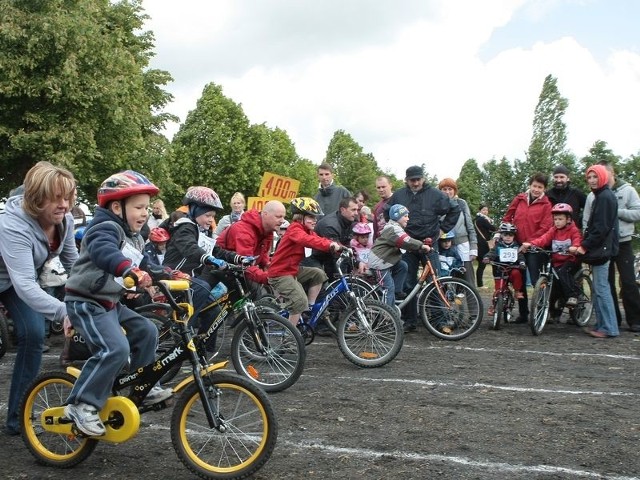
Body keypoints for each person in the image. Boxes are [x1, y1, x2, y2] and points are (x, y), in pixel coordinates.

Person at [63, 170, 171, 436]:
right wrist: (126, 271)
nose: (145, 213)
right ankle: (81, 404)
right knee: (115, 348)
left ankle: (142, 386)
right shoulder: (104, 227)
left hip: (109, 301)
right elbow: (105, 252)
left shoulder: (134, 235)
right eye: (138, 207)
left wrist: (166, 274)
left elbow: (142, 263)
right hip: (86, 301)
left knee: (147, 331)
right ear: (116, 206)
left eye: (147, 207)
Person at [0, 161, 78, 436]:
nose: (64, 204)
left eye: (67, 197)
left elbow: (74, 264)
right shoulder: (13, 224)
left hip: (14, 282)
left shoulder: (64, 221)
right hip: (17, 280)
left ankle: (18, 418)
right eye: (56, 197)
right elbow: (24, 284)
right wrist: (63, 311)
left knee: (34, 335)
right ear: (36, 199)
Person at [163, 186, 246, 352]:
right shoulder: (184, 227)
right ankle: (181, 330)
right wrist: (209, 259)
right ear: (194, 210)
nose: (211, 220)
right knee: (203, 287)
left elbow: (216, 250)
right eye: (208, 215)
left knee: (214, 311)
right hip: (172, 276)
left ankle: (203, 351)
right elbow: (191, 249)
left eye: (213, 216)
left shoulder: (202, 231)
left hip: (187, 279)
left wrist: (238, 258)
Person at [386, 165, 460, 332]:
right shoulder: (399, 195)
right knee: (408, 282)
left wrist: (443, 230)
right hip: (408, 245)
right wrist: (397, 230)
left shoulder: (435, 195)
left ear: (423, 179)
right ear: (407, 180)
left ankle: (439, 320)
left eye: (418, 179)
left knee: (435, 281)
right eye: (412, 180)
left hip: (429, 244)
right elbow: (387, 212)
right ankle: (409, 320)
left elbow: (455, 209)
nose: (416, 182)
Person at [583, 161, 640, 332]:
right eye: (591, 176)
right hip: (602, 244)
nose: (595, 178)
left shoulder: (627, 190)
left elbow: (638, 212)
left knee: (628, 280)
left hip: (623, 241)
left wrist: (616, 211)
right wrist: (587, 240)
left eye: (599, 174)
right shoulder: (592, 196)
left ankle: (635, 319)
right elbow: (587, 219)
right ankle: (612, 318)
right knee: (605, 283)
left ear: (611, 173)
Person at [267, 198, 341, 326]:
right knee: (300, 301)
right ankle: (290, 338)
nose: (315, 220)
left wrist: (340, 247)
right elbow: (308, 241)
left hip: (292, 270)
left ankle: (309, 309)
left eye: (315, 217)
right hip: (280, 274)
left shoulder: (306, 230)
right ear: (301, 217)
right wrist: (329, 245)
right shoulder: (295, 230)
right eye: (311, 217)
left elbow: (318, 239)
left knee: (318, 274)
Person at [502, 172, 553, 323]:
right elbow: (508, 216)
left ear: (544, 189)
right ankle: (523, 312)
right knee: (519, 278)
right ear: (530, 185)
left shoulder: (546, 205)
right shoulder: (519, 199)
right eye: (534, 186)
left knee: (536, 278)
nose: (536, 189)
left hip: (534, 247)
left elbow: (545, 227)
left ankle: (541, 310)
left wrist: (530, 242)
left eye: (540, 187)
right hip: (517, 245)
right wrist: (506, 233)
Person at [576, 165, 619, 338]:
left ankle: (609, 327)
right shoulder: (601, 196)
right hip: (602, 248)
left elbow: (601, 228)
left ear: (602, 177)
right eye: (589, 177)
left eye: (595, 177)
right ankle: (602, 324)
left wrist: (584, 245)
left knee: (601, 289)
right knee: (600, 288)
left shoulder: (605, 197)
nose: (592, 180)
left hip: (602, 250)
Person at [521, 203, 583, 317]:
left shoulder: (573, 230)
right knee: (553, 282)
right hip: (557, 261)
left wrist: (575, 246)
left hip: (571, 260)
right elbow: (543, 239)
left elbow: (577, 240)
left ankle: (573, 295)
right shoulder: (553, 230)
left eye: (560, 219)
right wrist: (531, 244)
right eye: (555, 219)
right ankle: (552, 311)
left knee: (563, 273)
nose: (557, 222)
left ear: (568, 219)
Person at [216, 200, 287, 290]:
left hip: (237, 269)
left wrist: (273, 266)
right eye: (278, 217)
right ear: (265, 214)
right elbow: (245, 265)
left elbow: (263, 257)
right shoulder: (244, 231)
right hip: (222, 268)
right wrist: (270, 278)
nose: (282, 221)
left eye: (283, 217)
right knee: (257, 293)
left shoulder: (268, 231)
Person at [368, 204, 428, 307]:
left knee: (402, 266)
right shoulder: (393, 229)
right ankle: (387, 314)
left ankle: (396, 291)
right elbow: (406, 240)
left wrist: (417, 247)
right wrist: (422, 246)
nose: (408, 219)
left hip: (386, 261)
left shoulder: (396, 227)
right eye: (405, 216)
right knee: (388, 287)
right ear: (397, 216)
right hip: (379, 262)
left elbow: (404, 243)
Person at [305, 196, 362, 279]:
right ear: (343, 210)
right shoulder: (331, 225)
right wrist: (355, 264)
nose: (356, 213)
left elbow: (347, 245)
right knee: (327, 282)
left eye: (357, 210)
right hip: (316, 259)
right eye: (353, 210)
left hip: (330, 258)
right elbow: (337, 251)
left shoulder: (349, 220)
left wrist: (356, 263)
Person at [437, 178, 478, 286]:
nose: (447, 192)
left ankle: (473, 303)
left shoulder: (461, 203)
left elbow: (470, 226)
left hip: (462, 244)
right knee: (444, 280)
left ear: (454, 190)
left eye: (450, 189)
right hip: (443, 246)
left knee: (468, 279)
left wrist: (473, 247)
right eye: (444, 189)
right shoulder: (437, 205)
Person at [482, 223, 527, 317]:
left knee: (517, 273)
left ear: (514, 236)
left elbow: (520, 256)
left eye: (510, 235)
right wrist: (487, 258)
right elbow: (492, 253)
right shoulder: (498, 245)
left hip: (512, 269)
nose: (508, 237)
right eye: (505, 235)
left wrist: (522, 263)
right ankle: (494, 306)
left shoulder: (516, 246)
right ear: (501, 235)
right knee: (498, 290)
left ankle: (517, 291)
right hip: (500, 270)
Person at [474, 205, 497, 288]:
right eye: (483, 210)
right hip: (482, 244)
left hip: (479, 243)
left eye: (487, 210)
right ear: (480, 211)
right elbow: (492, 228)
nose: (485, 212)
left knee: (481, 264)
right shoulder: (482, 219)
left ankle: (480, 283)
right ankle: (480, 284)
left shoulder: (476, 219)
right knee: (482, 264)